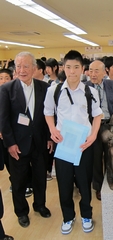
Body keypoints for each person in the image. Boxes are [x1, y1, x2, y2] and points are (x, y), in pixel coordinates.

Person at [44, 50, 102, 234]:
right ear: (63, 68)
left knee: (85, 183)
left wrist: (93, 135)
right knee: (65, 183)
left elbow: (97, 115)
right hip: (64, 144)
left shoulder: (90, 91)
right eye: (68, 67)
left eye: (76, 67)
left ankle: (86, 215)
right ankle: (68, 217)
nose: (72, 71)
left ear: (82, 69)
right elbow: (48, 112)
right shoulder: (54, 90)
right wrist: (52, 129)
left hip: (84, 143)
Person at [0, 52, 53, 228]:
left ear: (34, 68)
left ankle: (40, 205)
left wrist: (49, 138)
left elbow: (48, 116)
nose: (22, 70)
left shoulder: (44, 87)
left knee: (40, 177)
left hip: (39, 143)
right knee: (19, 181)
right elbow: (4, 120)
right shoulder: (6, 89)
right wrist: (10, 144)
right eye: (19, 66)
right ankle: (21, 212)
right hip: (17, 145)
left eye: (26, 66)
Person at [86, 60, 113, 200]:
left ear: (104, 72)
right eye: (90, 70)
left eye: (96, 71)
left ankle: (111, 181)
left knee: (111, 156)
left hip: (110, 125)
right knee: (96, 157)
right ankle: (98, 186)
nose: (93, 74)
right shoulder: (85, 87)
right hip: (93, 126)